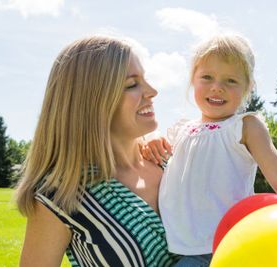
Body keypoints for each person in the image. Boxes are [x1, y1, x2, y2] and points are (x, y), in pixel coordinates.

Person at [141, 34, 277, 266]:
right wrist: (152, 138)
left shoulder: (244, 126)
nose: (217, 88)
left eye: (231, 81)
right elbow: (144, 146)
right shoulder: (181, 129)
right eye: (207, 77)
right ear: (192, 80)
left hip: (224, 245)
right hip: (175, 246)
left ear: (248, 88)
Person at [15, 35, 180, 267]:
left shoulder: (173, 162)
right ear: (92, 101)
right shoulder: (62, 196)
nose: (152, 91)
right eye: (132, 84)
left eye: (145, 79)